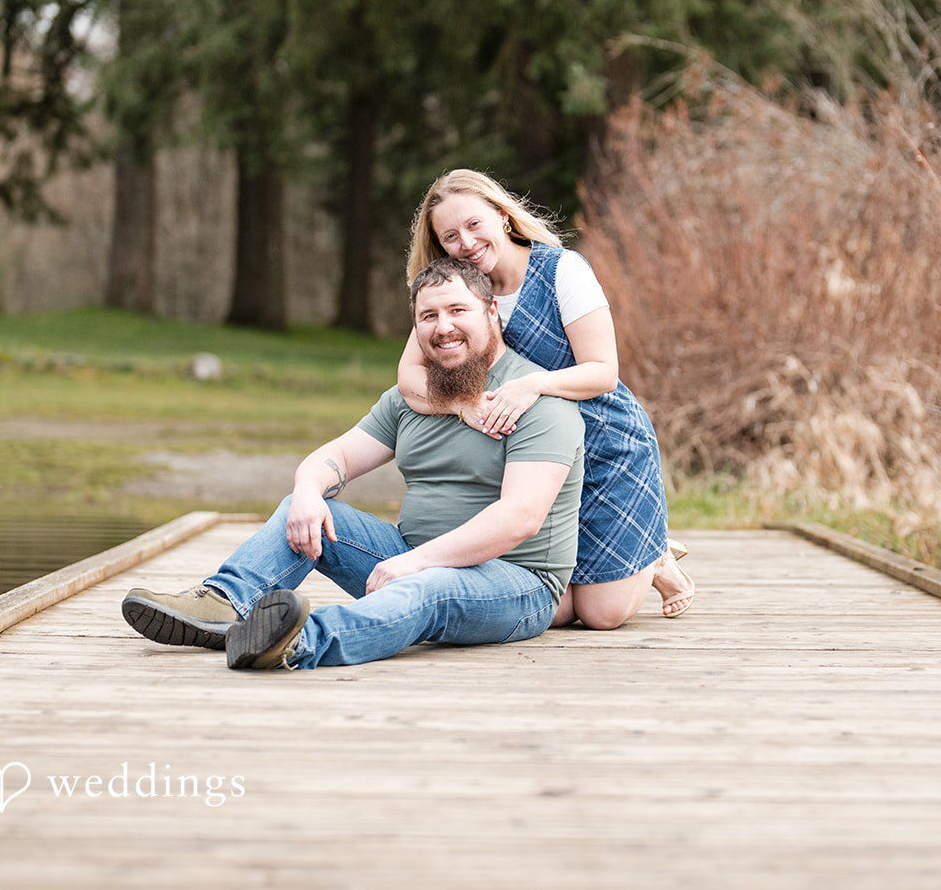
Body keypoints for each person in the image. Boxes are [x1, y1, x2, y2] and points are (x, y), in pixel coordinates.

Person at [120, 258, 585, 670]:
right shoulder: (415, 398)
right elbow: (336, 457)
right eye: (428, 316)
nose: (443, 327)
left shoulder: (536, 399)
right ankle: (225, 604)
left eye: (457, 310)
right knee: (306, 510)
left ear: (491, 312)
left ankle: (293, 641)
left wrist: (417, 564)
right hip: (409, 557)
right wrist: (308, 492)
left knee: (429, 588)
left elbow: (519, 518)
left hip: (515, 583)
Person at [397, 169, 693, 629]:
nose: (467, 243)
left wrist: (531, 385)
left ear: (502, 215)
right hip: (536, 460)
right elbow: (408, 377)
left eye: (474, 224)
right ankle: (639, 555)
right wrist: (461, 405)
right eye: (450, 236)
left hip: (605, 446)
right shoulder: (457, 292)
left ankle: (651, 555)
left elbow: (603, 373)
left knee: (602, 614)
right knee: (549, 601)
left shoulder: (562, 270)